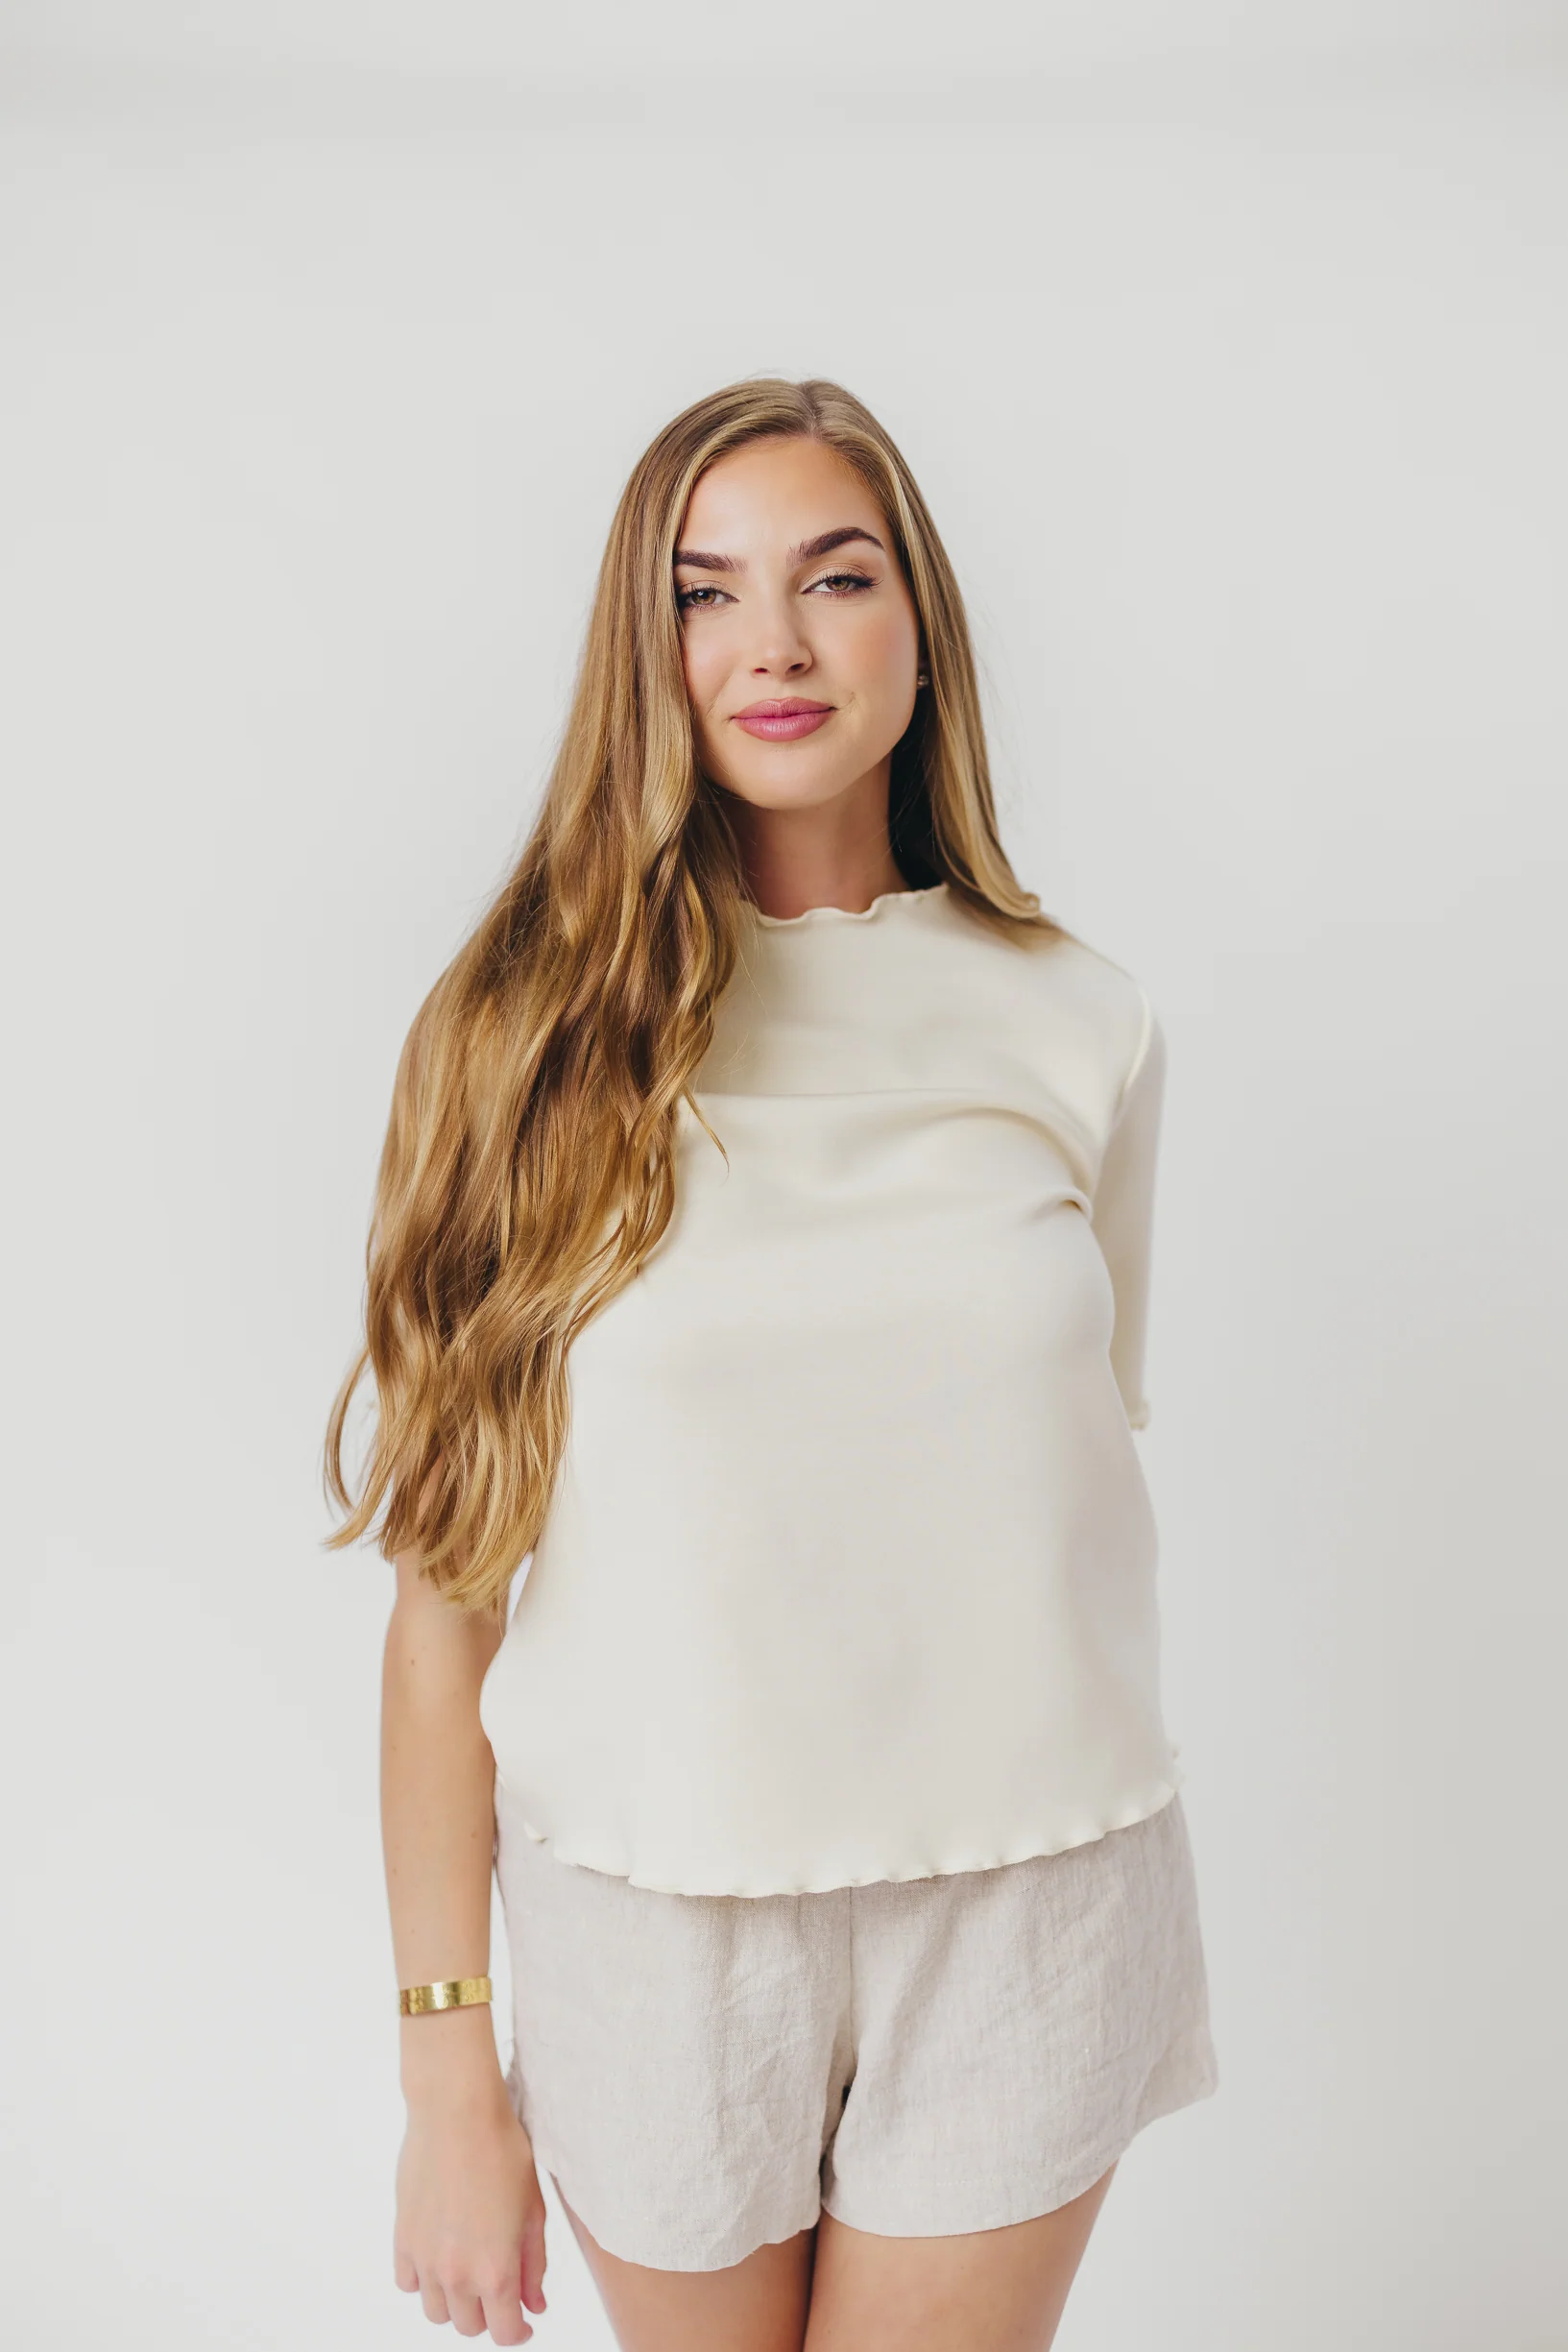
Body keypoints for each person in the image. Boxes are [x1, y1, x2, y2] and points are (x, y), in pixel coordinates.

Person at [326, 376, 1218, 2351]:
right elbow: (443, 1612)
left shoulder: (1082, 1023)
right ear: (642, 651)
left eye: (836, 576)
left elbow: (1049, 1466)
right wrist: (447, 2075)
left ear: (923, 621)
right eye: (705, 592)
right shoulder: (520, 1042)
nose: (776, 644)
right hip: (654, 1920)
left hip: (1032, 1890)